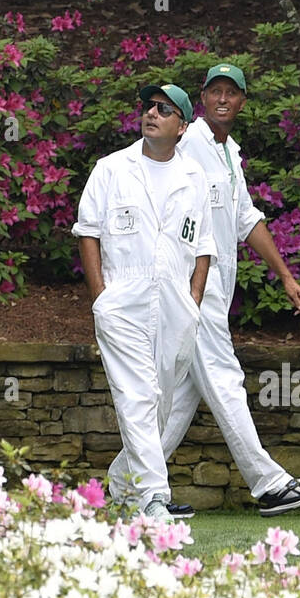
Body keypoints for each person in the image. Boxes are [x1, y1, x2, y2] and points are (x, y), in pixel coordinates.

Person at [106, 62, 300, 517]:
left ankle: (124, 486)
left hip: (213, 292)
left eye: (232, 91)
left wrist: (285, 276)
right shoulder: (187, 144)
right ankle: (269, 484)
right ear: (203, 100)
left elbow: (246, 218)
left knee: (180, 400)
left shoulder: (230, 155)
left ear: (242, 102)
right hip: (193, 289)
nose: (223, 98)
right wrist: (186, 287)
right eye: (215, 91)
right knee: (226, 380)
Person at [72, 83, 214, 523]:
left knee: (161, 403)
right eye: (149, 106)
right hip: (123, 300)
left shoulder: (194, 179)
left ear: (182, 126)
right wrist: (102, 297)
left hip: (175, 303)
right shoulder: (112, 169)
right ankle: (154, 496)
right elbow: (88, 231)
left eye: (164, 109)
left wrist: (192, 299)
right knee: (137, 396)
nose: (151, 113)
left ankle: (120, 485)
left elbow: (203, 245)